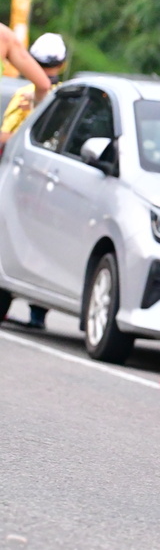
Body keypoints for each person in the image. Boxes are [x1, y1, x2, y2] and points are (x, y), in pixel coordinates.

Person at [0, 32, 67, 330]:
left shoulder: (24, 95)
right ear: (62, 64)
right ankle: (38, 314)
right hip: (56, 182)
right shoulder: (73, 98)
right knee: (44, 240)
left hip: (22, 175)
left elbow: (5, 137)